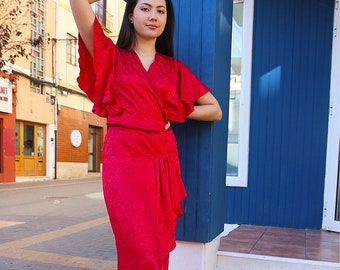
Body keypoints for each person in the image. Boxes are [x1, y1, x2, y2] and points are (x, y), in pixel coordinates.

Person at [69, 0, 222, 269]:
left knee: (156, 244)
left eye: (160, 11)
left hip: (161, 160)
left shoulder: (173, 69)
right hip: (123, 162)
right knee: (136, 246)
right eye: (145, 8)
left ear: (167, 19)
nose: (154, 16)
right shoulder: (112, 57)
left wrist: (175, 110)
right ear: (130, 15)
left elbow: (214, 109)